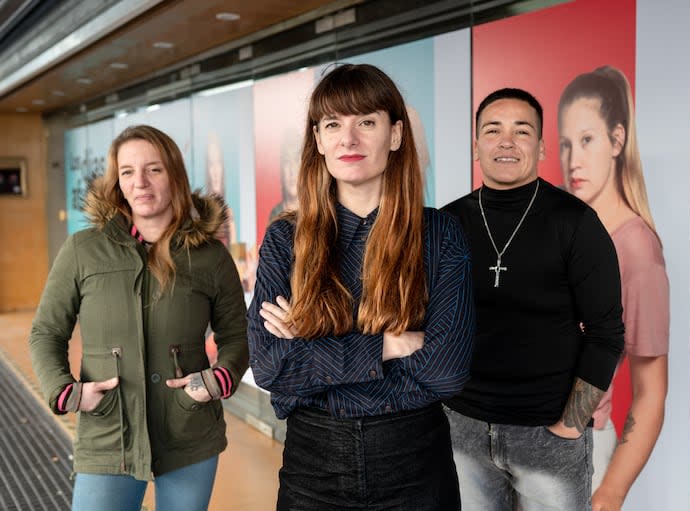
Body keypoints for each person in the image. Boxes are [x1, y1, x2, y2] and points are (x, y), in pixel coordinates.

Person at [247, 63, 474, 510]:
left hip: (413, 464)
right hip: (313, 466)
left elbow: (446, 370)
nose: (348, 139)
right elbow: (271, 367)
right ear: (318, 140)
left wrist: (314, 353)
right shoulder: (285, 239)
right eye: (333, 124)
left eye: (366, 122)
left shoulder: (441, 234)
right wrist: (389, 345)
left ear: (394, 134)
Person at [29, 124, 250, 511]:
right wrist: (67, 391)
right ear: (117, 182)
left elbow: (237, 335)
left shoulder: (210, 257)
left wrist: (218, 379)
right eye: (128, 172)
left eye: (154, 169)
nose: (140, 183)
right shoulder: (83, 250)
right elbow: (46, 332)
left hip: (188, 429)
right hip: (107, 432)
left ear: (175, 176)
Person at [441, 87, 625, 511]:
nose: (506, 141)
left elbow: (606, 333)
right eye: (493, 130)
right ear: (476, 146)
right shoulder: (447, 223)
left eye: (522, 131)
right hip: (462, 430)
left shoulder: (575, 222)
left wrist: (570, 425)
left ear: (541, 147)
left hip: (547, 434)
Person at [558, 65, 670, 511]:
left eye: (587, 140)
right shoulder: (567, 231)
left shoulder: (636, 248)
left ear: (617, 140)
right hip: (524, 449)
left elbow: (651, 390)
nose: (573, 160)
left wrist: (610, 492)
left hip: (581, 450)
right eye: (566, 144)